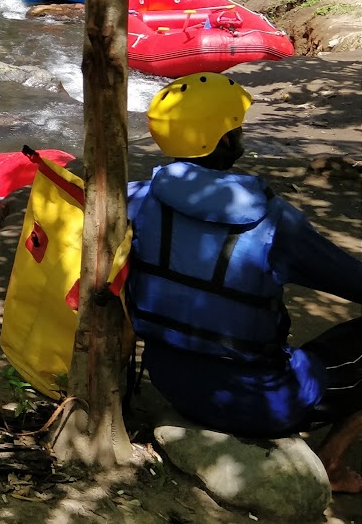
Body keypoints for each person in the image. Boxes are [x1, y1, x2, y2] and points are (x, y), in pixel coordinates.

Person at [126, 71, 362, 493]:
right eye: (237, 128)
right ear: (223, 141)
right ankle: (333, 465)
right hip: (259, 403)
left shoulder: (139, 197)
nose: (242, 134)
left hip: (171, 380)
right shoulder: (273, 221)